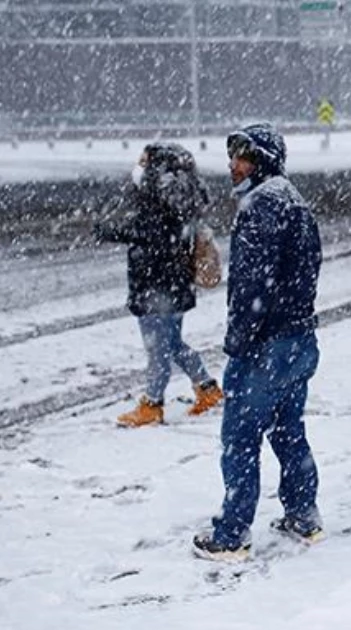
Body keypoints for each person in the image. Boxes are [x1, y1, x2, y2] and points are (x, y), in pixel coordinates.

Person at [193, 123, 324, 561]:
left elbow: (252, 287)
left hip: (266, 346)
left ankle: (231, 536)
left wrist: (240, 342)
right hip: (300, 339)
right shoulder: (294, 201)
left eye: (242, 156)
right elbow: (305, 274)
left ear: (263, 160)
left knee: (241, 438)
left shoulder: (260, 205)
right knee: (289, 431)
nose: (233, 165)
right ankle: (304, 515)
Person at [94, 142, 223, 428]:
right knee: (173, 344)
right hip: (176, 285)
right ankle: (207, 389)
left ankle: (152, 405)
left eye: (144, 161)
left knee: (158, 350)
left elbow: (149, 235)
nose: (138, 166)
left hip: (155, 288)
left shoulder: (154, 197)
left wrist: (110, 232)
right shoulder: (182, 195)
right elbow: (163, 236)